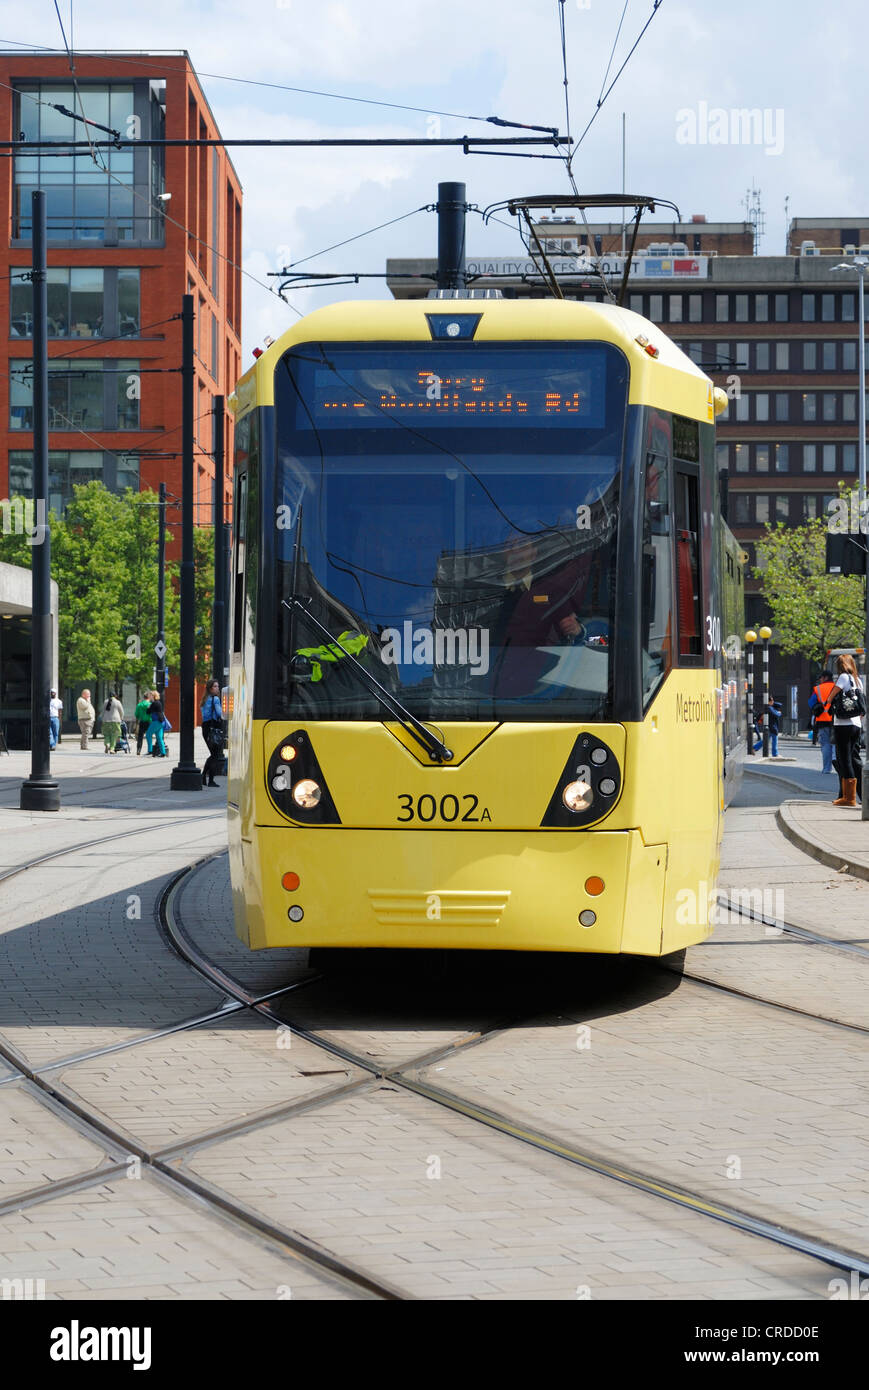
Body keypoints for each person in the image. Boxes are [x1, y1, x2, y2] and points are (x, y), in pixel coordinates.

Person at [831, 654, 865, 808]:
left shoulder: (843, 677)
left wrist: (828, 701)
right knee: (853, 758)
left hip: (843, 724)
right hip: (856, 724)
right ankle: (859, 794)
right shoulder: (858, 681)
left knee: (844, 759)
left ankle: (848, 798)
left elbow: (831, 697)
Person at [808, 670, 836, 775]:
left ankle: (827, 769)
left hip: (822, 721)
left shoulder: (818, 689)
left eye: (821, 678)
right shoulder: (837, 687)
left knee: (825, 745)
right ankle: (837, 767)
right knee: (836, 744)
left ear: (825, 677)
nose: (820, 680)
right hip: (836, 720)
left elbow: (811, 703)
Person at [200, 678, 225, 787]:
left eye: (218, 686)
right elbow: (220, 713)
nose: (217, 688)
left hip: (206, 728)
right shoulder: (215, 699)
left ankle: (204, 777)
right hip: (213, 728)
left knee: (213, 754)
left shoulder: (205, 699)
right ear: (210, 688)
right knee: (215, 755)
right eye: (215, 686)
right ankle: (210, 780)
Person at [134, 691, 154, 756]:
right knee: (149, 736)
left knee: (140, 737)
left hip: (142, 722)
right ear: (148, 697)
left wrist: (140, 716)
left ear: (144, 697)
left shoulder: (139, 705)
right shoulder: (150, 704)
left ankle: (138, 750)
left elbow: (136, 714)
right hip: (149, 722)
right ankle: (150, 750)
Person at [148, 692, 167, 757]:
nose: (149, 697)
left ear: (153, 696)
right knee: (159, 738)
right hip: (161, 721)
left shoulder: (154, 703)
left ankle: (150, 750)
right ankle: (163, 753)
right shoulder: (159, 703)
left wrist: (149, 706)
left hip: (156, 721)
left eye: (150, 695)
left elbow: (148, 712)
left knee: (148, 734)